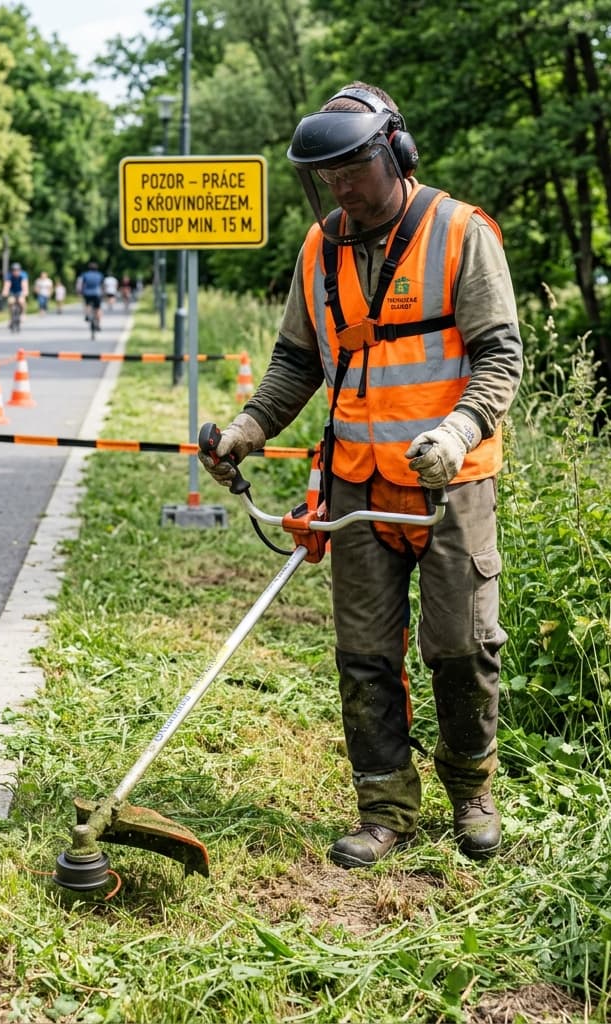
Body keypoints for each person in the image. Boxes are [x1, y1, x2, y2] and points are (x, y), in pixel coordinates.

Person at [199, 82, 523, 868]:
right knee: (365, 654)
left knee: (462, 646)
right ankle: (383, 808)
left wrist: (458, 429)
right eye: (327, 174)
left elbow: (501, 356)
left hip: (449, 481)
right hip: (355, 482)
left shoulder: (459, 232)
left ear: (396, 153)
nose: (342, 186)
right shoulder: (321, 247)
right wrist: (247, 429)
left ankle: (471, 792)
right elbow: (297, 362)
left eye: (354, 167)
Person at [79, 261, 105, 330]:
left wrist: (81, 292)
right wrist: (103, 293)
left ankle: (87, 315)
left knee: (87, 305)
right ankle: (98, 324)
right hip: (97, 293)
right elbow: (102, 285)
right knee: (98, 309)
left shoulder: (85, 274)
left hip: (87, 293)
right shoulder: (99, 275)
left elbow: (83, 285)